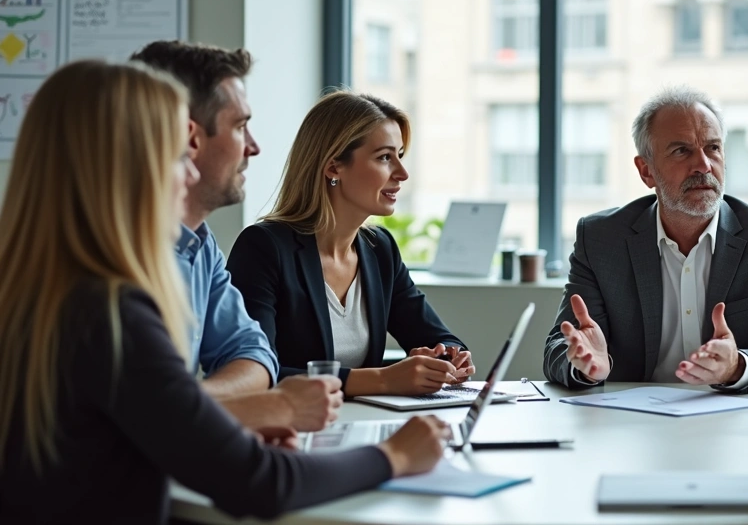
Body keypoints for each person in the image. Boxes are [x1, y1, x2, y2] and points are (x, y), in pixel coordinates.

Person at [0, 61, 451, 524]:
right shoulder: (111, 315)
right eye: (178, 156)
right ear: (127, 170)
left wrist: (221, 423)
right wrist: (395, 455)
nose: (190, 176)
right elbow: (262, 485)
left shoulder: (42, 292)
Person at [542, 85, 748, 393]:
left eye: (713, 148)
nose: (703, 166)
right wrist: (585, 367)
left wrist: (737, 366)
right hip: (632, 425)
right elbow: (561, 345)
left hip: (737, 419)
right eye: (681, 151)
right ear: (646, 170)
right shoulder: (601, 240)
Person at [131, 41, 335, 433]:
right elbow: (136, 414)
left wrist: (189, 406)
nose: (254, 147)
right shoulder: (109, 256)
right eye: (240, 126)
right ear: (189, 135)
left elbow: (253, 353)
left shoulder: (199, 246)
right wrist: (254, 410)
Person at [227, 91, 475, 396]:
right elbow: (256, 372)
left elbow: (437, 335)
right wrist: (383, 379)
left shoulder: (379, 248)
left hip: (358, 423)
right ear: (333, 167)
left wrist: (448, 356)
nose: (402, 173)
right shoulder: (264, 247)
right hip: (290, 429)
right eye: (385, 157)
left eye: (400, 154)